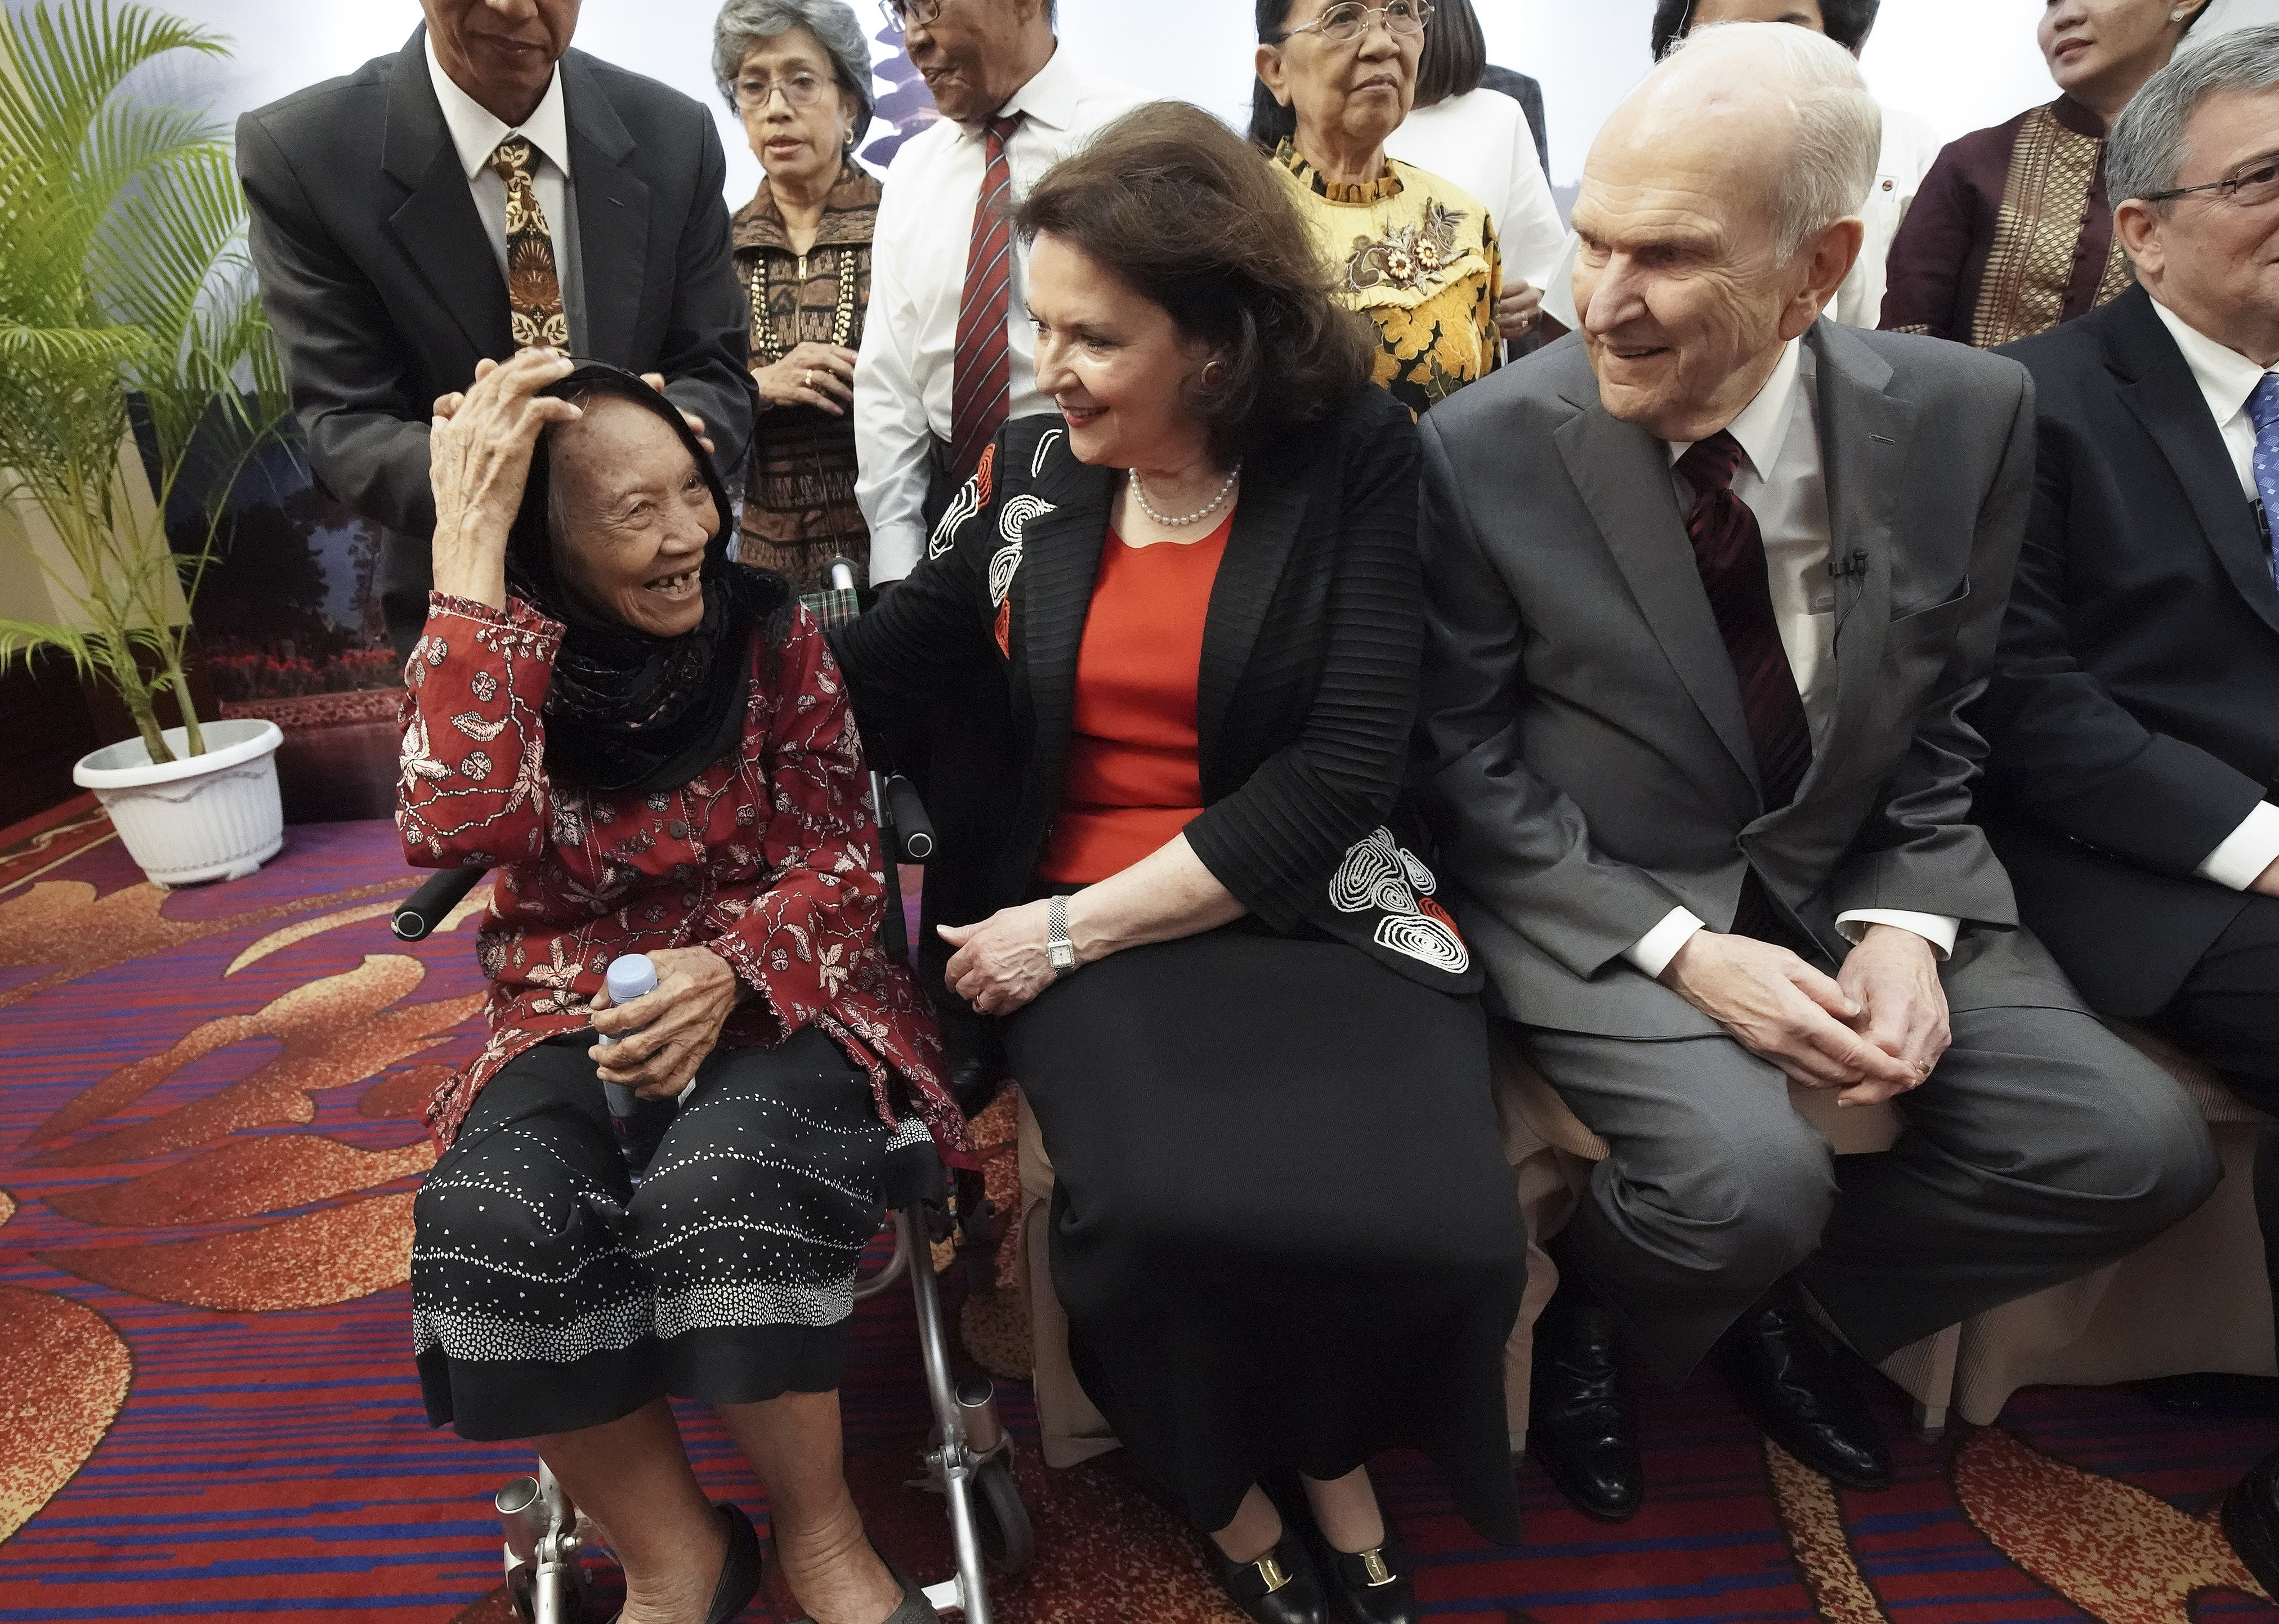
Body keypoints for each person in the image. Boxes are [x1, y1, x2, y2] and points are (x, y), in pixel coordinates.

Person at [1418, 22, 2218, 1528]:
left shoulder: (1968, 417)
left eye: (1666, 255)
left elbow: (1947, 720)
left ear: (1816, 263)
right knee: (1743, 1184)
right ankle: (1605, 1302)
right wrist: (1682, 952)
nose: (1603, 302)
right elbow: (1456, 768)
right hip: (1612, 887)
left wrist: (1912, 922)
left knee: (2129, 1147)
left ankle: (1789, 1309)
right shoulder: (1482, 447)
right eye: (1590, 238)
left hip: (1863, 860)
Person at [832, 102, 1527, 1624]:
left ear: (1212, 344)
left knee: (1447, 1222)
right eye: (1041, 324)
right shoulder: (1029, 471)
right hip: (1065, 900)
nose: (1046, 367)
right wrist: (676, 627)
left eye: (1092, 335)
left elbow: (1343, 771)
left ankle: (1334, 1453)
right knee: (1157, 1217)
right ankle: (1225, 1481)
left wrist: (1069, 937)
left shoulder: (1355, 461)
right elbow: (879, 666)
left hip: (1302, 900)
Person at [401, 354, 963, 1624]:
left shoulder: (773, 634)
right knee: (491, 1217)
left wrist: (732, 966)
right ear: (543, 540)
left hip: (778, 980)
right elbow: (456, 820)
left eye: (694, 494)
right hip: (570, 1002)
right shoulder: (497, 646)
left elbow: (841, 855)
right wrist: (469, 543)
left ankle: (820, 1534)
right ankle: (677, 1554)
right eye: (634, 513)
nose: (687, 538)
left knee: (728, 1185)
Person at [1977, 26, 2279, 1608]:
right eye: (2266, 176)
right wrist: (2275, 847)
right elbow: (2029, 709)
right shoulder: (2026, 406)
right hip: (2144, 857)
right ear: (2141, 225)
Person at [237, 0, 756, 658]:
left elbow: (715, 372)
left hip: (670, 605)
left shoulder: (673, 135)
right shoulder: (309, 155)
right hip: (471, 616)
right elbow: (344, 422)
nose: (512, 7)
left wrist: (650, 456)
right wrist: (516, 477)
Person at [852, 0, 1150, 585]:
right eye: (903, 10)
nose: (914, 38)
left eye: (929, 6)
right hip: (945, 531)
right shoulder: (912, 170)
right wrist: (896, 556)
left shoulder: (1137, 141)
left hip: (1107, 517)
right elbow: (890, 381)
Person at [1542, 0, 1936, 335]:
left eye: (1785, 38)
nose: (1753, 60)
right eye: (1722, 38)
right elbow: (1566, 331)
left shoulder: (1893, 149)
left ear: (1847, 45)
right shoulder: (1644, 149)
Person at [1879, 0, 2210, 346]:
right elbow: (1904, 341)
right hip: (1969, 399)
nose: (2065, 16)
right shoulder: (1976, 161)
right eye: (2052, 2)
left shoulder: (2229, 172)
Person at [1252, 0, 1504, 414]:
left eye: (1402, 10)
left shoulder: (1464, 221)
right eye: (1343, 17)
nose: (1383, 44)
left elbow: (1489, 421)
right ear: (1276, 70)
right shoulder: (1237, 224)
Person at [717, 0, 882, 588]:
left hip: (898, 552)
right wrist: (759, 387)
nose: (776, 109)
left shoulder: (903, 224)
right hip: (759, 565)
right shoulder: (714, 247)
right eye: (753, 87)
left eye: (801, 82)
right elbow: (674, 405)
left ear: (850, 105)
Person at [1388, 0, 1566, 351]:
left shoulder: (1500, 115)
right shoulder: (1321, 114)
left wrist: (1530, 304)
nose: (1379, 38)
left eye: (1399, 10)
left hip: (1471, 385)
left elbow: (1543, 275)